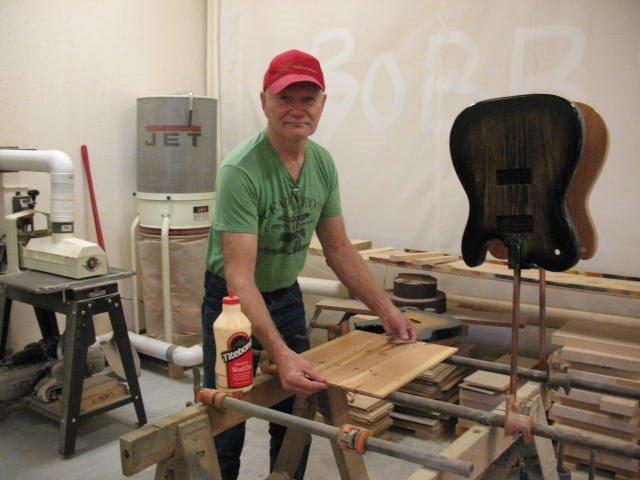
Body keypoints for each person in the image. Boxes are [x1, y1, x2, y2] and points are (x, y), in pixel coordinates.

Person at [202, 49, 417, 480]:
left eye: (308, 98)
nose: (297, 110)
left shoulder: (321, 163)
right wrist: (279, 353)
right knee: (228, 418)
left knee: (293, 414)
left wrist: (385, 309)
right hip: (232, 306)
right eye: (286, 98)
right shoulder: (241, 171)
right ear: (264, 101)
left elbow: (338, 249)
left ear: (323, 103)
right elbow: (239, 276)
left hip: (285, 296)